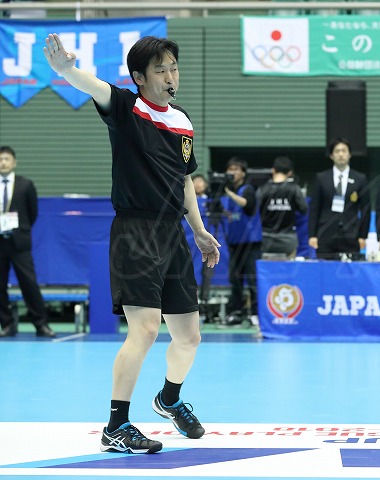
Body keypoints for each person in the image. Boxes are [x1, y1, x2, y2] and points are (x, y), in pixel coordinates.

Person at [44, 34, 220, 454]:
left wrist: (198, 230)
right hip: (135, 232)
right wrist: (67, 70)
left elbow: (184, 180)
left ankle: (169, 400)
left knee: (189, 337)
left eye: (174, 68)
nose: (170, 76)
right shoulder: (126, 108)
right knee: (144, 329)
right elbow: (93, 86)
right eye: (160, 70)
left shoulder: (182, 121)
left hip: (173, 234)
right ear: (140, 78)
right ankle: (116, 426)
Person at [0, 146, 55, 338]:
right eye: (0, 159)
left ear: (14, 162)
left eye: (6, 159)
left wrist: (20, 230)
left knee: (29, 283)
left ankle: (41, 324)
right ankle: (7, 324)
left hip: (19, 243)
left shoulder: (25, 185)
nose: (3, 162)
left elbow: (32, 213)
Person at [308, 138, 371, 260]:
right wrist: (312, 235)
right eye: (337, 151)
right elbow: (314, 208)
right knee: (325, 269)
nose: (341, 154)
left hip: (351, 235)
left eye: (344, 151)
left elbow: (365, 209)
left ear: (349, 154)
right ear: (331, 156)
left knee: (350, 270)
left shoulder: (360, 178)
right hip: (325, 234)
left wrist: (363, 236)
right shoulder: (321, 178)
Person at [222, 157, 262, 325]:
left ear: (243, 173)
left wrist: (229, 193)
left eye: (236, 169)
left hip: (250, 243)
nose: (232, 172)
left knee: (252, 280)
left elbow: (247, 204)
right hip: (234, 242)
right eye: (230, 169)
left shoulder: (248, 189)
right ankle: (236, 312)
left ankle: (256, 313)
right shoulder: (227, 193)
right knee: (235, 279)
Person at [257, 156, 307, 258]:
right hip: (288, 240)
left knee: (266, 268)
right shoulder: (294, 189)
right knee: (289, 268)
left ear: (273, 170)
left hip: (266, 240)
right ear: (290, 173)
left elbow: (254, 210)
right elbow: (303, 209)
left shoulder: (263, 189)